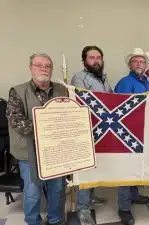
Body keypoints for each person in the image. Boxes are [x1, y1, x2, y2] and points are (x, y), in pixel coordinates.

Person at [6, 53, 66, 225]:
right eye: (39, 65)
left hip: (56, 151)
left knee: (57, 189)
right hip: (29, 152)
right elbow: (17, 121)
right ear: (31, 68)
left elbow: (68, 117)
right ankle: (33, 221)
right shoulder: (17, 91)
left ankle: (55, 219)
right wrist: (48, 129)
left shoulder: (62, 90)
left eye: (48, 66)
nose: (44, 68)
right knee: (32, 191)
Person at [71, 45, 112, 225]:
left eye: (98, 57)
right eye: (91, 57)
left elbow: (111, 99)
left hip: (101, 129)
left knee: (95, 167)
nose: (96, 61)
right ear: (84, 61)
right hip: (86, 129)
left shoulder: (104, 78)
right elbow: (83, 101)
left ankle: (91, 199)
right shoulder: (79, 77)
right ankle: (83, 209)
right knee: (85, 169)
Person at [114, 48, 149, 225]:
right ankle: (124, 208)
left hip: (142, 132)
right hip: (127, 133)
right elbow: (117, 108)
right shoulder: (124, 83)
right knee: (125, 170)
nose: (138, 64)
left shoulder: (147, 81)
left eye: (141, 61)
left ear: (145, 65)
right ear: (130, 64)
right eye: (135, 61)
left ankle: (134, 195)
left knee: (136, 167)